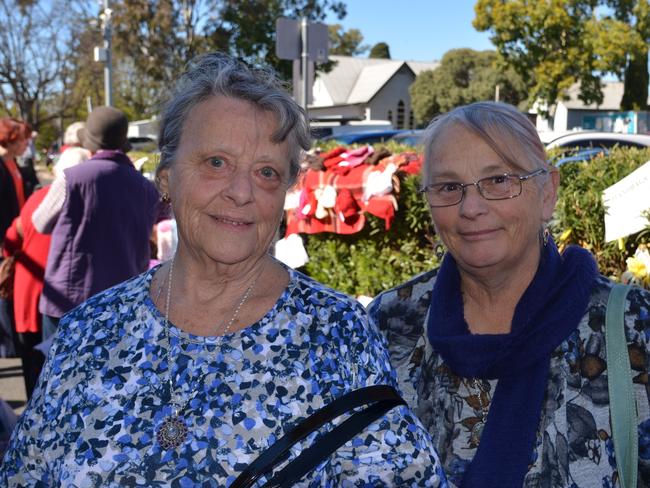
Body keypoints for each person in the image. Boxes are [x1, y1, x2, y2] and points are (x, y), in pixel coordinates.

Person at [0, 53, 447, 486]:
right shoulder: (88, 333)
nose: (240, 192)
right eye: (216, 162)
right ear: (166, 178)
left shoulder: (335, 335)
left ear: (284, 195)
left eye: (267, 172)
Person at [369, 101, 650, 487]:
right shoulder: (388, 323)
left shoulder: (633, 326)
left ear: (547, 192)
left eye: (499, 180)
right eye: (449, 187)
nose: (471, 207)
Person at [30, 106, 166, 339]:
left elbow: (40, 223)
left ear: (90, 145)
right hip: (123, 299)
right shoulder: (146, 188)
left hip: (69, 298)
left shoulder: (72, 177)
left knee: (60, 372)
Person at [2, 185, 52, 399]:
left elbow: (11, 238)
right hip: (64, 295)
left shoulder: (39, 197)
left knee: (30, 357)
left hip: (30, 288)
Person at [0, 118, 31, 358]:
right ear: (10, 138)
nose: (27, 143)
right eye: (23, 139)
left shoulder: (13, 164)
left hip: (15, 236)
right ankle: (7, 346)